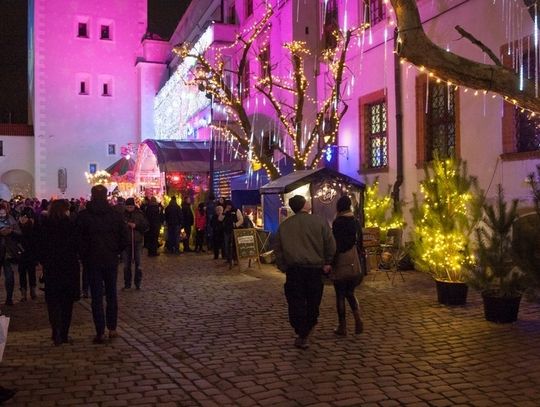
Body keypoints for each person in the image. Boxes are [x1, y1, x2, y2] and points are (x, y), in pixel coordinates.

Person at [274, 195, 336, 350]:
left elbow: (278, 249)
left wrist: (283, 266)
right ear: (304, 206)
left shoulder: (285, 226)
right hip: (315, 269)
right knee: (313, 301)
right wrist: (328, 262)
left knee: (296, 301)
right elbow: (330, 244)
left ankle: (302, 331)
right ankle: (307, 329)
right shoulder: (319, 222)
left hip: (294, 270)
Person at [77, 185, 128, 344]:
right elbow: (124, 237)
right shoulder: (115, 214)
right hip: (110, 259)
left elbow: (78, 239)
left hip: (92, 260)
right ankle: (112, 328)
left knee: (97, 297)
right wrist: (116, 251)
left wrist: (84, 255)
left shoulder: (84, 216)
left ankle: (100, 331)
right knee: (111, 294)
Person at [37, 199, 80, 346]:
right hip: (68, 267)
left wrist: (43, 262)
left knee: (53, 302)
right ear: (64, 210)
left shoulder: (45, 225)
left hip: (52, 267)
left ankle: (56, 331)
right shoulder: (71, 225)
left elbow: (40, 247)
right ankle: (64, 333)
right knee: (67, 303)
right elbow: (77, 245)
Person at [331, 195, 364, 336]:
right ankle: (358, 319)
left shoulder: (338, 222)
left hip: (341, 261)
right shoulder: (355, 222)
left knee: (340, 295)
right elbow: (360, 242)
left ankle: (342, 326)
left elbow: (336, 244)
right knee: (350, 293)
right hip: (354, 262)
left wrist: (330, 261)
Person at [121, 198, 149, 289]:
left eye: (131, 206)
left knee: (138, 264)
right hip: (126, 243)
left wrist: (136, 226)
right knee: (126, 265)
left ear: (134, 206)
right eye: (128, 206)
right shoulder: (122, 215)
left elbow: (145, 226)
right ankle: (127, 284)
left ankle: (138, 283)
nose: (129, 208)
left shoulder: (139, 214)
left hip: (137, 242)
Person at [0, 202, 21, 306]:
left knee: (9, 276)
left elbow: (19, 232)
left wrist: (10, 231)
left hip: (9, 252)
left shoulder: (11, 219)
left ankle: (9, 298)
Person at [17, 207, 38, 301]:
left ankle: (32, 291)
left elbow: (37, 241)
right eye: (22, 216)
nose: (23, 219)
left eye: (25, 217)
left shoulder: (33, 226)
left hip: (30, 253)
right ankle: (24, 293)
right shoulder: (17, 227)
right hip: (22, 253)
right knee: (22, 273)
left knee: (31, 273)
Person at [222, 201, 243, 266]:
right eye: (227, 205)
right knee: (227, 245)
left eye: (229, 205)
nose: (228, 206)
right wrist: (224, 212)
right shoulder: (225, 212)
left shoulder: (236, 210)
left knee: (234, 245)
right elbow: (220, 219)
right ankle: (228, 259)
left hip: (234, 231)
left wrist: (236, 225)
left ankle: (235, 259)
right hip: (226, 231)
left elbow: (241, 220)